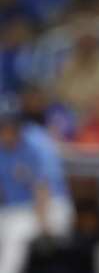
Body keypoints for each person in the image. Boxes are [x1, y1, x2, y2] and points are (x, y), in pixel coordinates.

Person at [0, 100, 74, 273]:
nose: (4, 131)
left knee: (14, 234)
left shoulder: (38, 144)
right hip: (18, 209)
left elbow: (43, 188)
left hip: (52, 207)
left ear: (17, 125)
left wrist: (44, 225)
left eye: (7, 125)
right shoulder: (3, 147)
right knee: (12, 226)